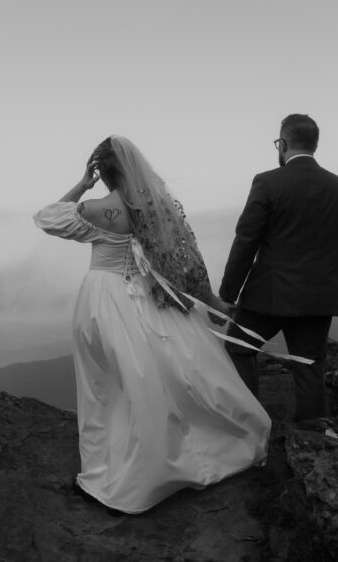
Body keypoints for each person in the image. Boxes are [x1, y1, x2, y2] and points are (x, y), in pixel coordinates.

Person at [33, 136, 271, 515]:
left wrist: (83, 183)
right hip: (146, 295)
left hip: (104, 298)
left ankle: (114, 464)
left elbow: (47, 218)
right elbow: (186, 259)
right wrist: (208, 299)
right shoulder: (158, 208)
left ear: (104, 170)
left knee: (103, 384)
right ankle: (189, 447)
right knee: (151, 373)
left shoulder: (95, 209)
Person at [218, 114, 338, 423]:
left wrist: (228, 293)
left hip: (268, 296)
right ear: (315, 145)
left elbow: (245, 241)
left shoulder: (267, 182)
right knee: (309, 367)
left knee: (238, 349)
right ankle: (311, 438)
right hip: (319, 298)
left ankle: (251, 424)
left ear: (284, 144)